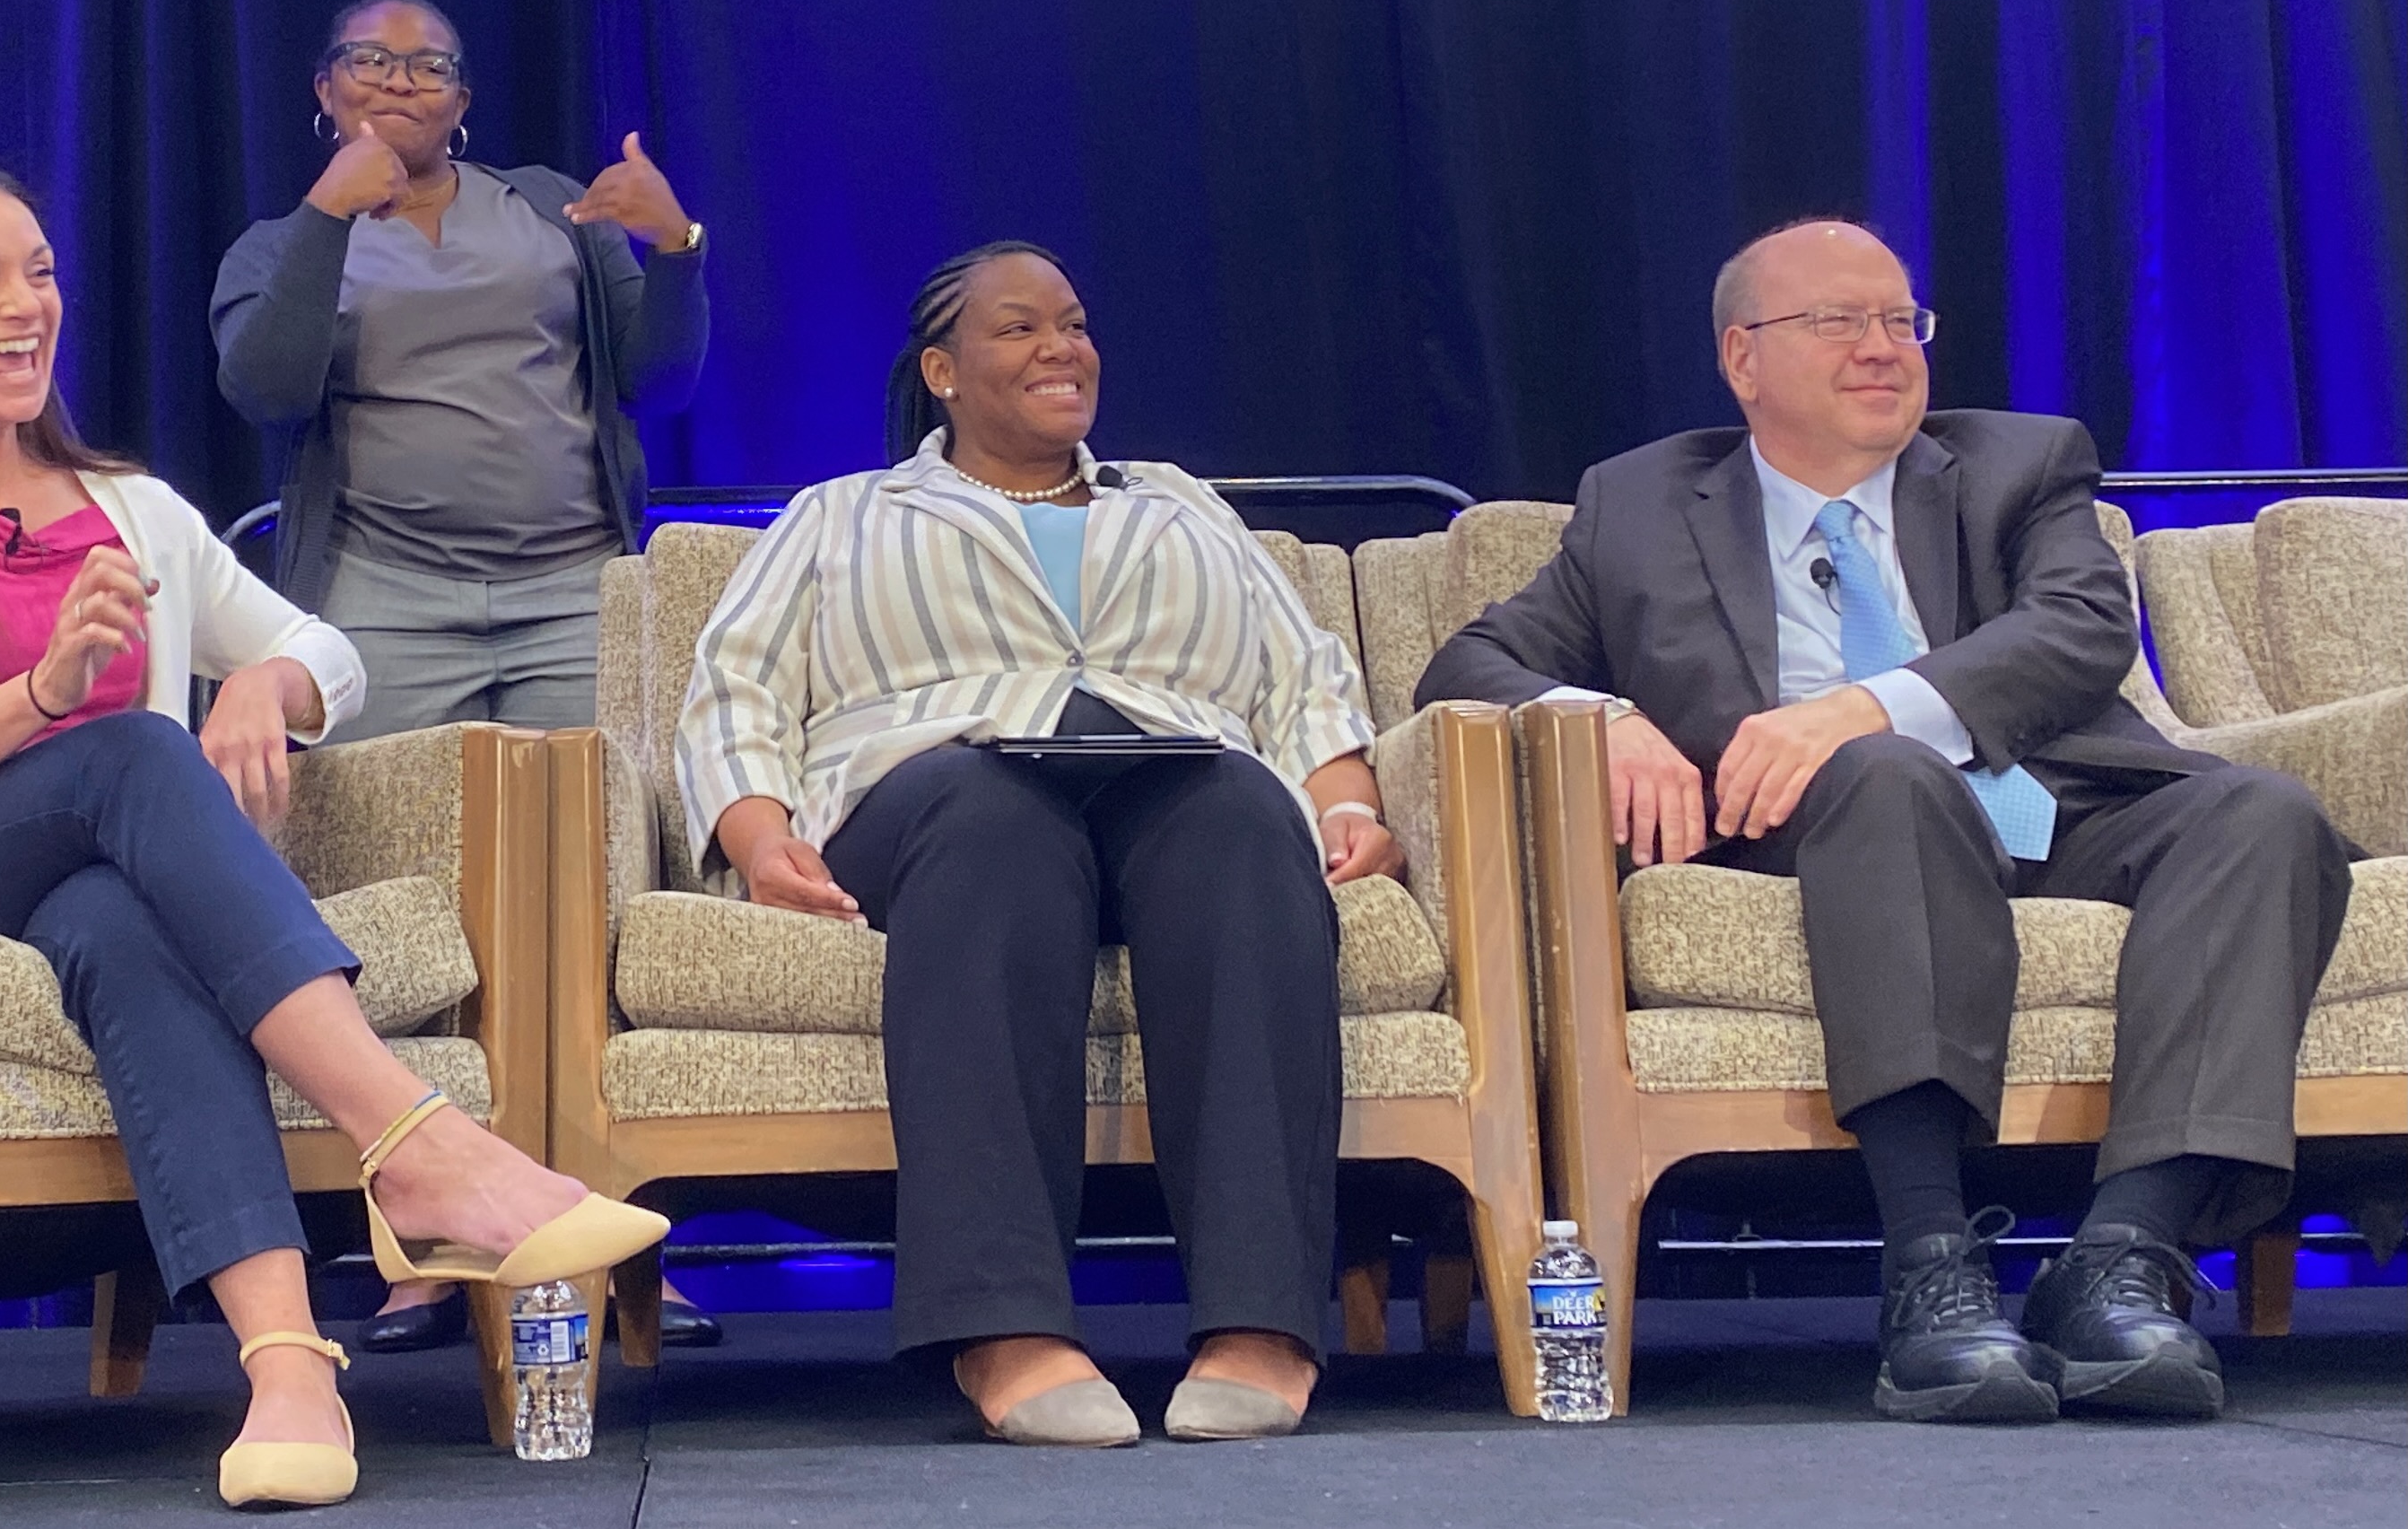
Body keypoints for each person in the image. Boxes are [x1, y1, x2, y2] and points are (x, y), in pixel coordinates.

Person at [0, 153, 667, 1508]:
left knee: (121, 919)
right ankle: (415, 1146)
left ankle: (288, 1369)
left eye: (41, 272)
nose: (27, 305)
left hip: (65, 892)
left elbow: (321, 649)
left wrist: (264, 680)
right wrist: (40, 698)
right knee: (124, 746)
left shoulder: (129, 508)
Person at [1417, 219, 2351, 1426]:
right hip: (1832, 832)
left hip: (2050, 799)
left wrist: (1864, 704)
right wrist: (1601, 718)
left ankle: (2124, 1263)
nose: (1880, 348)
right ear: (1741, 358)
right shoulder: (1637, 505)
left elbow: (2076, 628)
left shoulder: (2021, 461)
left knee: (2262, 815)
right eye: (1835, 323)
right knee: (1884, 776)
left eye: (1898, 320)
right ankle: (1929, 1272)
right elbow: (1468, 662)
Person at [676, 242, 1402, 1448]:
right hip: (930, 789)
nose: (1062, 348)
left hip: (1170, 770)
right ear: (942, 371)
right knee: (993, 817)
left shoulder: (1176, 502)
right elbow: (733, 692)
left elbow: (1301, 682)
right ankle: (1003, 1324)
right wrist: (759, 838)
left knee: (1239, 818)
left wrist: (1341, 803)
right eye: (1020, 330)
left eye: (1072, 324)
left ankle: (1261, 1321)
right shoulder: (842, 514)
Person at [211, 0, 712, 1350]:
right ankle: (428, 1233)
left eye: (428, 62)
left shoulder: (549, 211)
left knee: (594, 896)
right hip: (386, 598)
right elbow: (261, 385)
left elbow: (656, 381)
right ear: (326, 87)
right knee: (402, 903)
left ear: (464, 99)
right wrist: (329, 216)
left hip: (567, 590)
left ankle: (619, 1227)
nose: (399, 79)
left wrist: (673, 248)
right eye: (369, 59)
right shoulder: (281, 241)